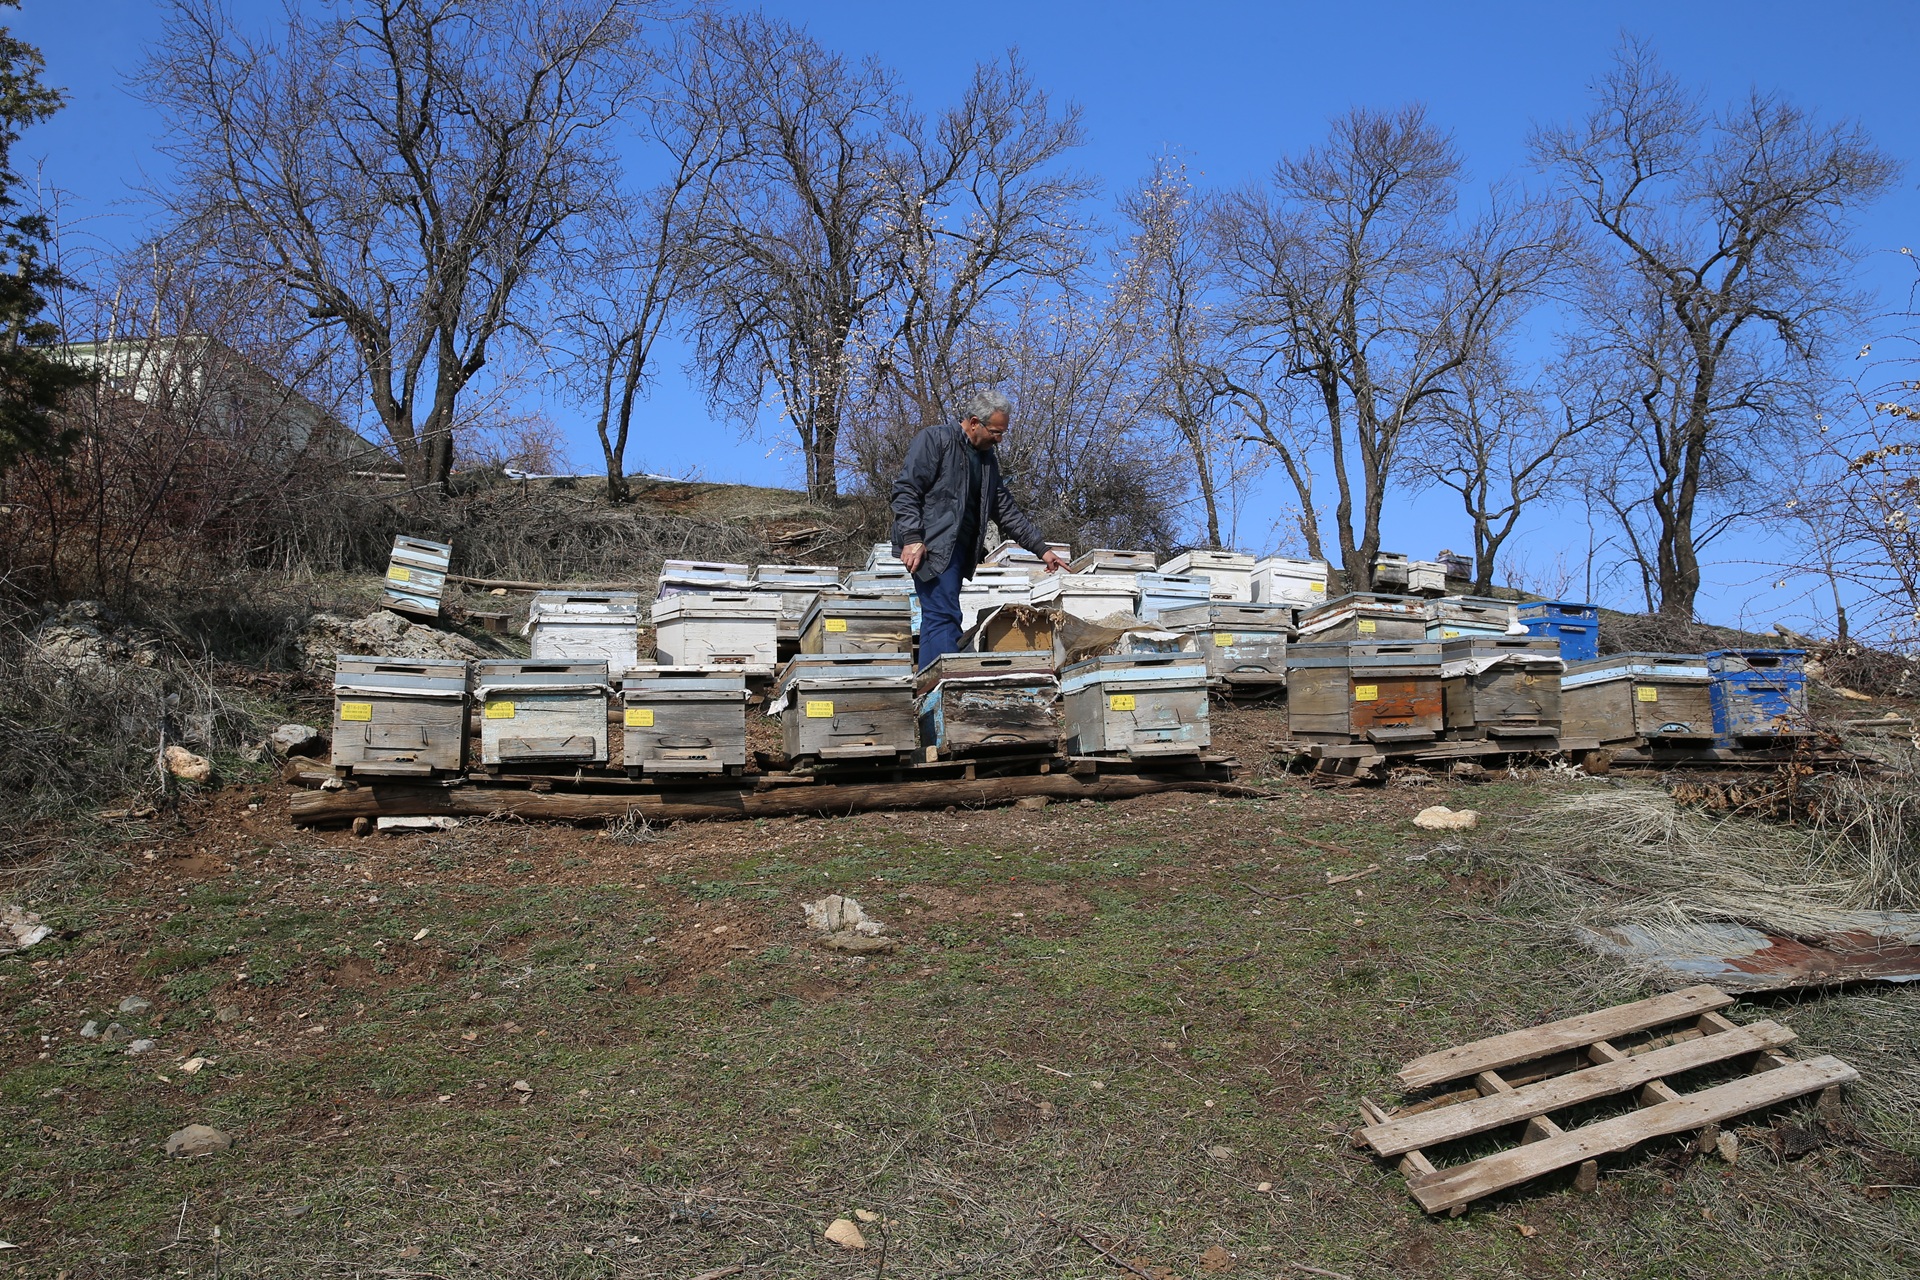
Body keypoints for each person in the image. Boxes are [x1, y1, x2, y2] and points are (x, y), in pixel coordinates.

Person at [890, 389, 1070, 668]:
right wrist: (913, 538)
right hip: (932, 547)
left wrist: (1042, 551)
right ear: (974, 422)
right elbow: (906, 490)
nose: (998, 440)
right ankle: (948, 685)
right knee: (945, 616)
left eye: (1002, 434)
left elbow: (1005, 510)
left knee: (937, 618)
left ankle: (928, 690)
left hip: (959, 552)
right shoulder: (936, 440)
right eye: (995, 432)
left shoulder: (987, 461)